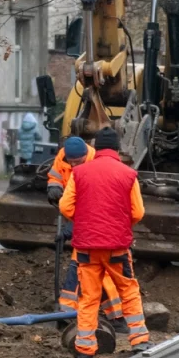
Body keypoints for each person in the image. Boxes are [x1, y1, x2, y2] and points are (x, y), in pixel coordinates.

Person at [59, 128, 150, 358]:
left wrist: (85, 220)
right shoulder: (128, 174)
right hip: (117, 248)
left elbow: (65, 207)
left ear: (95, 149)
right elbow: (138, 212)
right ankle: (139, 341)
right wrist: (119, 224)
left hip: (87, 248)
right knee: (128, 291)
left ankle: (85, 353)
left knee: (89, 298)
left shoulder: (79, 172)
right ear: (118, 149)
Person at [50, 136, 126, 327]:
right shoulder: (63, 156)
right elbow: (55, 174)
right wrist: (54, 187)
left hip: (94, 224)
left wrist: (72, 228)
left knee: (87, 269)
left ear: (86, 155)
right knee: (90, 270)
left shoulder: (95, 165)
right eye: (71, 162)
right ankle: (113, 317)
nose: (74, 165)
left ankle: (68, 314)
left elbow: (94, 205)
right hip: (83, 220)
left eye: (78, 162)